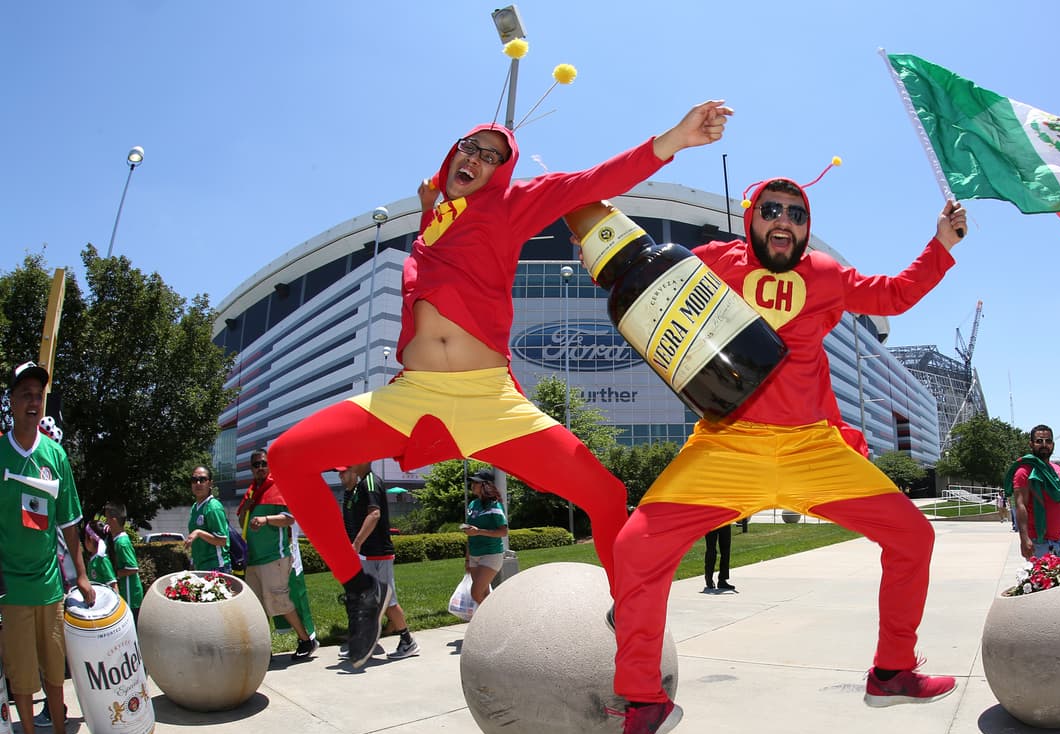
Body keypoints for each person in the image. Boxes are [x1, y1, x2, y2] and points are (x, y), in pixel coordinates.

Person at [269, 101, 732, 669]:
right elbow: (443, 253)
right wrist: (429, 207)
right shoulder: (430, 230)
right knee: (287, 456)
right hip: (414, 396)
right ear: (451, 155)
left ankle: (629, 611)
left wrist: (674, 139)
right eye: (470, 148)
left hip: (490, 400)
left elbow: (592, 182)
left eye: (493, 156)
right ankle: (359, 589)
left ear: (502, 172)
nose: (478, 159)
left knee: (607, 495)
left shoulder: (509, 205)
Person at [606, 178, 967, 734]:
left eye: (797, 214)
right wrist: (592, 233)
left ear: (806, 227)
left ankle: (892, 672)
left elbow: (895, 294)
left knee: (914, 536)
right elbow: (645, 276)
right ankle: (644, 701)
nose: (785, 221)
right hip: (728, 447)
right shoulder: (711, 261)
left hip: (812, 449)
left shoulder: (825, 273)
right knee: (635, 547)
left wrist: (941, 245)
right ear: (750, 218)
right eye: (771, 210)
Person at [0, 361, 97, 734]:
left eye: (39, 396)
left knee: (56, 671)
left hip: (49, 586)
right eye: (25, 394)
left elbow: (70, 522)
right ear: (10, 401)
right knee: (23, 676)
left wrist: (81, 574)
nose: (33, 402)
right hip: (11, 589)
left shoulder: (54, 455)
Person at [237, 449, 316, 660]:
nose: (260, 468)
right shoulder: (251, 492)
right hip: (253, 559)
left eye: (264, 463)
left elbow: (289, 519)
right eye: (256, 465)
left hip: (274, 557)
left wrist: (266, 520)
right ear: (251, 468)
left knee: (280, 601)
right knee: (257, 607)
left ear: (269, 465)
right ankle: (264, 649)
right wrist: (245, 510)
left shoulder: (276, 487)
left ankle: (306, 640)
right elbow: (242, 522)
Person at [339, 463, 417, 660]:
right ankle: (367, 641)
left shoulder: (371, 482)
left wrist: (357, 543)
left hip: (378, 553)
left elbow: (374, 514)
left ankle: (407, 641)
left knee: (388, 600)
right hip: (369, 554)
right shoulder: (361, 485)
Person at [1006, 426, 1060, 561]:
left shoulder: (1058, 471)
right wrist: (1024, 538)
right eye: (1039, 441)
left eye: (1048, 441)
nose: (1044, 445)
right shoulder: (1024, 472)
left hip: (1058, 543)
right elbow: (1021, 505)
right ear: (1031, 444)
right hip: (1038, 544)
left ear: (1053, 445)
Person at [460, 470, 508, 608]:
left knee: (476, 593)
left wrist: (479, 532)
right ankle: (490, 618)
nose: (472, 485)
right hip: (474, 555)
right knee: (484, 594)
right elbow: (470, 534)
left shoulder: (494, 505)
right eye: (472, 482)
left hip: (491, 554)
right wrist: (467, 559)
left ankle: (495, 616)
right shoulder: (472, 504)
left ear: (485, 485)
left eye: (476, 482)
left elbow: (503, 532)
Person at [104, 503, 143, 622]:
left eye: (107, 519)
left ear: (114, 521)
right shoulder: (117, 540)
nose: (106, 522)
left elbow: (133, 568)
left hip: (130, 594)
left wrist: (114, 575)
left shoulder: (122, 543)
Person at [187, 465, 230, 571]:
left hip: (216, 566)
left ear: (210, 483)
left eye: (202, 480)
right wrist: (193, 561)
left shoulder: (213, 507)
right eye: (194, 480)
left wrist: (199, 532)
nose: (198, 483)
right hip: (200, 566)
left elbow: (222, 540)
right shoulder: (195, 507)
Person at [702, 525, 733, 591]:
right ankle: (709, 578)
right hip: (711, 522)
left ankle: (722, 580)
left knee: (725, 551)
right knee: (711, 551)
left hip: (725, 522)